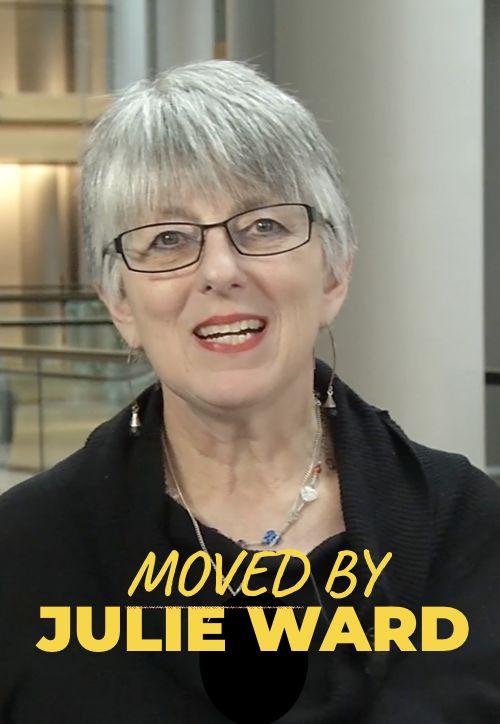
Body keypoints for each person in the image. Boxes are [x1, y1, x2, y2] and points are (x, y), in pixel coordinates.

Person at [0, 59, 499, 724]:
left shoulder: (470, 530)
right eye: (167, 238)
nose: (220, 270)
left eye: (263, 225)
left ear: (335, 272)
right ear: (120, 303)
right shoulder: (24, 554)